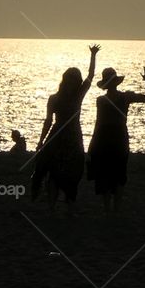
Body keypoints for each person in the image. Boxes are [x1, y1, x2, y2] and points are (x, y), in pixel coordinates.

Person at [32, 45, 100, 212]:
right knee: (53, 171)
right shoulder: (54, 98)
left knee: (73, 173)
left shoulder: (78, 96)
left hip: (73, 137)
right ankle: (52, 205)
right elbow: (48, 121)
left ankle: (67, 205)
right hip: (59, 136)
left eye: (74, 81)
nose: (71, 83)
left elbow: (91, 76)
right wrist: (41, 141)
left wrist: (93, 55)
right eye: (70, 80)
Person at [87, 66, 145, 213]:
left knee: (112, 173)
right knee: (114, 173)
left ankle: (111, 209)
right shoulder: (122, 97)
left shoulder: (107, 99)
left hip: (108, 138)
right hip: (114, 137)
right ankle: (113, 209)